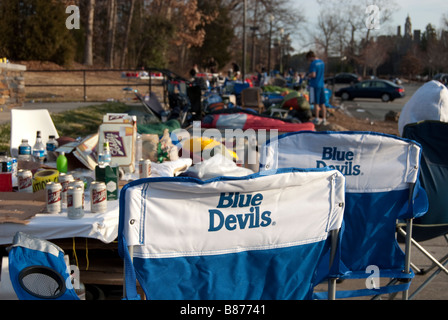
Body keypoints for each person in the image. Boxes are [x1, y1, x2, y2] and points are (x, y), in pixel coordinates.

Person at [306, 51, 327, 125]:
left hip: (315, 85)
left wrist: (308, 75)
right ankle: (324, 119)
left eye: (308, 59)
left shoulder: (313, 63)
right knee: (322, 103)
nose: (309, 61)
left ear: (310, 57)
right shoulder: (322, 62)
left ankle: (316, 118)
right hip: (321, 85)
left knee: (316, 103)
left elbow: (313, 75)